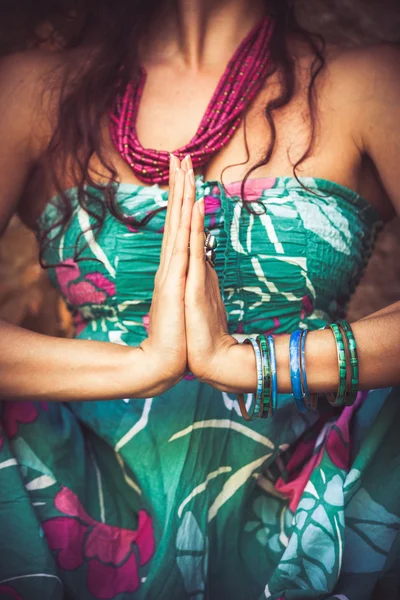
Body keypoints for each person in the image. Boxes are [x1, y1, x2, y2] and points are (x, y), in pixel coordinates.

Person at [0, 0, 399, 598]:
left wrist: (247, 363)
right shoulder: (33, 90)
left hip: (318, 497)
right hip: (77, 492)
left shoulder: (369, 83)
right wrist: (143, 364)